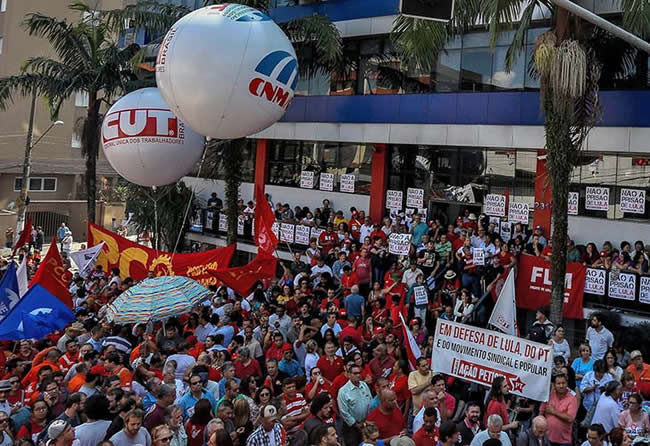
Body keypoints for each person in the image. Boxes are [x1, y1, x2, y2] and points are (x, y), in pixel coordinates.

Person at [338, 364, 372, 446]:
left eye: (359, 373)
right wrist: (356, 424)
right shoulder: (343, 391)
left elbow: (370, 401)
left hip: (366, 423)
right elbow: (344, 412)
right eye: (355, 373)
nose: (358, 375)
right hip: (351, 427)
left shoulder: (364, 385)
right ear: (349, 375)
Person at [540, 374, 578, 446]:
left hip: (564, 442)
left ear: (567, 384)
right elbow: (541, 413)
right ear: (554, 385)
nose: (561, 386)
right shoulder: (549, 396)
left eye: (563, 383)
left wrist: (553, 412)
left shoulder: (572, 399)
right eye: (558, 383)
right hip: (547, 438)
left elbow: (570, 418)